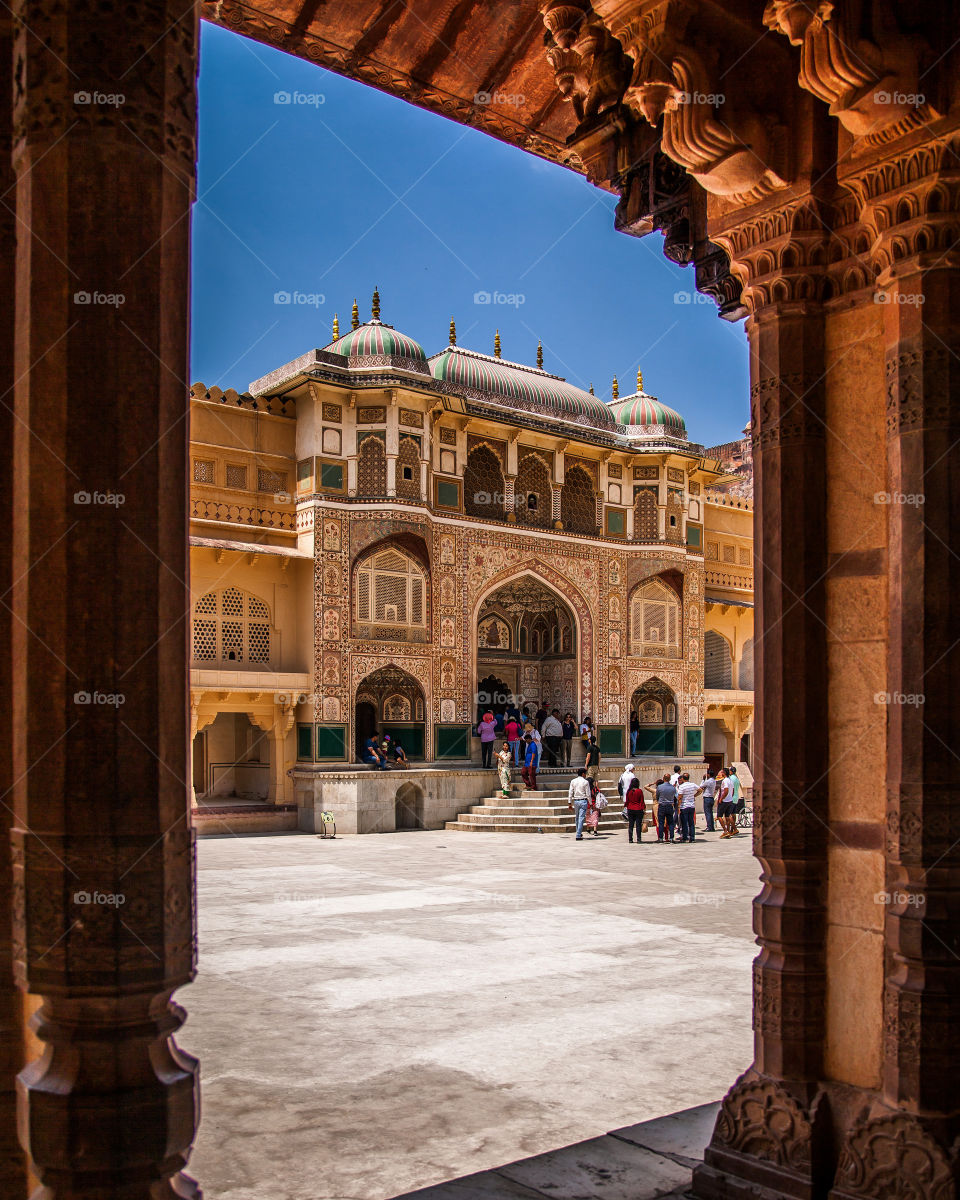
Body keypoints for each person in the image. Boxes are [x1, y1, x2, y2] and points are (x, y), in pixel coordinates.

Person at [676, 772, 703, 842]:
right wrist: (694, 795)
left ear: (683, 778)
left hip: (684, 806)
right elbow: (700, 790)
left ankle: (685, 837)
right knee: (691, 822)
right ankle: (692, 837)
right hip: (691, 806)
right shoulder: (692, 785)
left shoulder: (682, 786)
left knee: (684, 822)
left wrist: (678, 806)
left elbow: (680, 797)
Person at [567, 767, 591, 839]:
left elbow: (570, 792)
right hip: (583, 800)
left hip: (576, 801)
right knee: (581, 818)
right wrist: (591, 803)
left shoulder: (573, 781)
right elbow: (588, 794)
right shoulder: (585, 782)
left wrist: (569, 802)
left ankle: (578, 832)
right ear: (583, 774)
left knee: (577, 817)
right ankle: (578, 834)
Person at [653, 773, 678, 843]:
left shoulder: (659, 787)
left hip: (662, 805)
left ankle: (660, 838)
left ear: (663, 778)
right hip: (670, 806)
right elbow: (674, 796)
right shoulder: (673, 788)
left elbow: (657, 796)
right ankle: (671, 838)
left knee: (661, 822)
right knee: (670, 823)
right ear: (669, 779)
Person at [624, 777, 645, 843]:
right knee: (638, 825)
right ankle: (639, 839)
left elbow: (627, 801)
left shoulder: (629, 791)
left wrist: (626, 806)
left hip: (630, 809)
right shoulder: (639, 791)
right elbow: (642, 801)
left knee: (631, 824)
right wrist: (643, 808)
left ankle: (630, 839)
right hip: (638, 809)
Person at [724, 767, 743, 837]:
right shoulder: (736, 778)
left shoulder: (731, 778)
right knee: (733, 814)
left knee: (728, 815)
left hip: (731, 798)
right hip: (736, 797)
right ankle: (731, 830)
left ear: (731, 771)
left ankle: (734, 829)